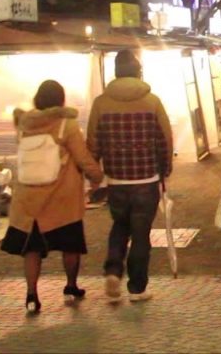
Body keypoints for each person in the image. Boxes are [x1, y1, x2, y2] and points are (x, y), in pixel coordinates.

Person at [1, 80, 104, 314]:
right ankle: (71, 285)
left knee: (31, 249)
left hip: (28, 201)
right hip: (61, 198)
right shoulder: (66, 125)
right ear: (61, 100)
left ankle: (31, 295)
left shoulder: (23, 125)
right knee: (70, 245)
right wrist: (97, 177)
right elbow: (82, 158)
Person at [87, 50, 173, 303]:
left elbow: (93, 141)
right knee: (141, 234)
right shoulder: (152, 102)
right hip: (146, 180)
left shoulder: (101, 103)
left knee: (120, 226)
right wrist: (165, 169)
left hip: (116, 181)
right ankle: (137, 288)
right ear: (138, 72)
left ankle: (113, 271)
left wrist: (94, 175)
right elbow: (164, 139)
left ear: (116, 72)